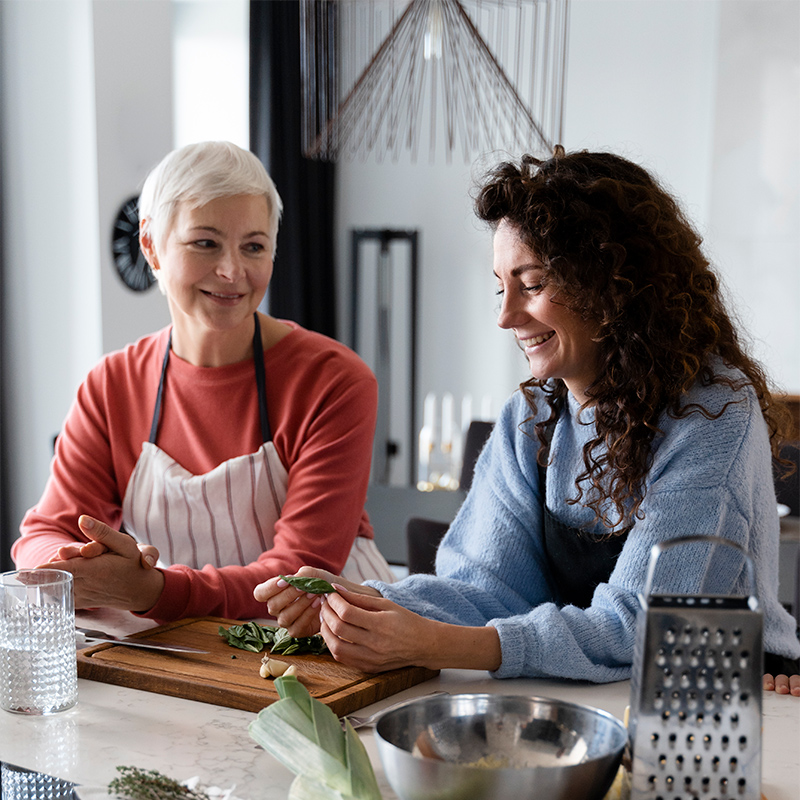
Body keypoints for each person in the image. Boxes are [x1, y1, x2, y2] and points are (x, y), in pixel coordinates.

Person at [255, 147, 800, 696]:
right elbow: (489, 590)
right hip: (585, 689)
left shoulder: (710, 413)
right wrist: (362, 600)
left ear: (614, 286)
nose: (505, 315)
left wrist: (431, 642)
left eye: (532, 284)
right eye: (501, 286)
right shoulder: (533, 417)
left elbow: (646, 625)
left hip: (730, 697)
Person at [13, 141, 395, 621]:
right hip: (184, 640)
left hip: (328, 643)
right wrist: (73, 568)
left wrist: (151, 592)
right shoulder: (111, 385)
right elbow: (43, 534)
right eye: (205, 242)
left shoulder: (334, 382)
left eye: (253, 246)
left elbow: (300, 575)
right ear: (151, 245)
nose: (232, 271)